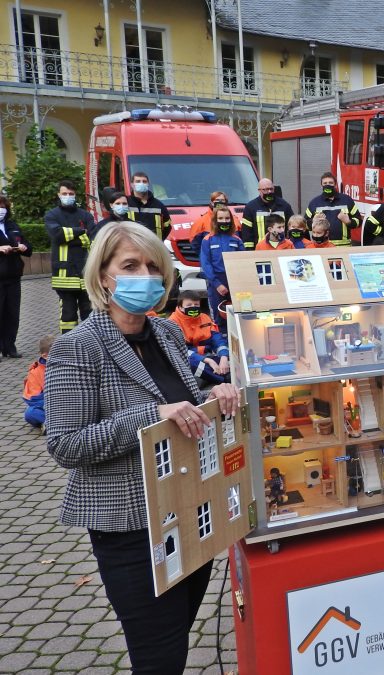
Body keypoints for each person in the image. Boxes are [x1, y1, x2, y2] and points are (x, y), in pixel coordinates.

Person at [44, 220, 241, 675]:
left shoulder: (166, 334)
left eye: (153, 266)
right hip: (130, 528)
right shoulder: (78, 348)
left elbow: (182, 403)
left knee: (176, 637)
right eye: (130, 266)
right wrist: (151, 416)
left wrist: (212, 396)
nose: (145, 276)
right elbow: (66, 444)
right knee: (158, 658)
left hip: (187, 513)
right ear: (103, 276)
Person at [45, 180, 94, 333]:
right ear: (58, 195)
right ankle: (68, 343)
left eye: (71, 194)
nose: (68, 196)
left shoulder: (86, 215)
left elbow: (91, 237)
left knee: (90, 314)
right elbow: (57, 235)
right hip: (64, 275)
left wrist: (68, 235)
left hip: (85, 273)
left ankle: (90, 342)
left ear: (75, 195)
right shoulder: (52, 215)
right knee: (68, 316)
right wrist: (81, 231)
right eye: (64, 193)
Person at [169, 290, 231, 385]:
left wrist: (224, 356)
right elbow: (180, 351)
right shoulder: (172, 323)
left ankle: (208, 376)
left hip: (208, 355)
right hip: (189, 358)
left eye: (196, 305)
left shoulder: (204, 318)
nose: (193, 307)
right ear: (180, 307)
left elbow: (217, 339)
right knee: (192, 364)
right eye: (189, 305)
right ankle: (223, 379)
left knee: (230, 357)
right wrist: (207, 360)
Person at [199, 206, 245, 332]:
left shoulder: (237, 239)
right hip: (217, 282)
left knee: (237, 311)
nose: (224, 221)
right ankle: (222, 339)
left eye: (227, 218)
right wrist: (217, 284)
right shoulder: (207, 240)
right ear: (215, 220)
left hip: (235, 281)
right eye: (220, 218)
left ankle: (238, 337)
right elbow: (205, 264)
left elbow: (243, 262)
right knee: (219, 314)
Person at [0, 194, 31, 355]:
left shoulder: (12, 225)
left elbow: (28, 246)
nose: (1, 210)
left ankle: (9, 347)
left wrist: (23, 246)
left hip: (13, 276)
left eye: (3, 207)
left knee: (12, 313)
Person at [306, 172, 360, 246]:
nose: (327, 185)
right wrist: (313, 221)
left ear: (335, 184)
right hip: (322, 246)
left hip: (343, 247)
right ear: (321, 185)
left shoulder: (347, 200)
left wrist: (348, 222)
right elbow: (304, 225)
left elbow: (359, 221)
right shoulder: (314, 203)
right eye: (325, 183)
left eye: (330, 183)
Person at [241, 178, 294, 249]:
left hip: (282, 248)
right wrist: (250, 251)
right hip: (261, 249)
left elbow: (292, 227)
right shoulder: (251, 207)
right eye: (265, 189)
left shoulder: (284, 205)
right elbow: (247, 233)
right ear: (259, 191)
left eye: (271, 189)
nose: (269, 192)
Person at [127, 171, 172, 240]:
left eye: (144, 181)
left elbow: (167, 226)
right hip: (133, 245)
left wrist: (159, 241)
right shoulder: (126, 203)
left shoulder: (159, 205)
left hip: (154, 245)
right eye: (138, 181)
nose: (141, 184)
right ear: (132, 184)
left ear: (148, 184)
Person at [23, 335, 54, 428]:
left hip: (69, 405)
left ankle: (51, 424)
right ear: (45, 356)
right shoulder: (35, 373)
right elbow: (32, 399)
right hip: (49, 406)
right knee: (30, 413)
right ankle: (51, 424)